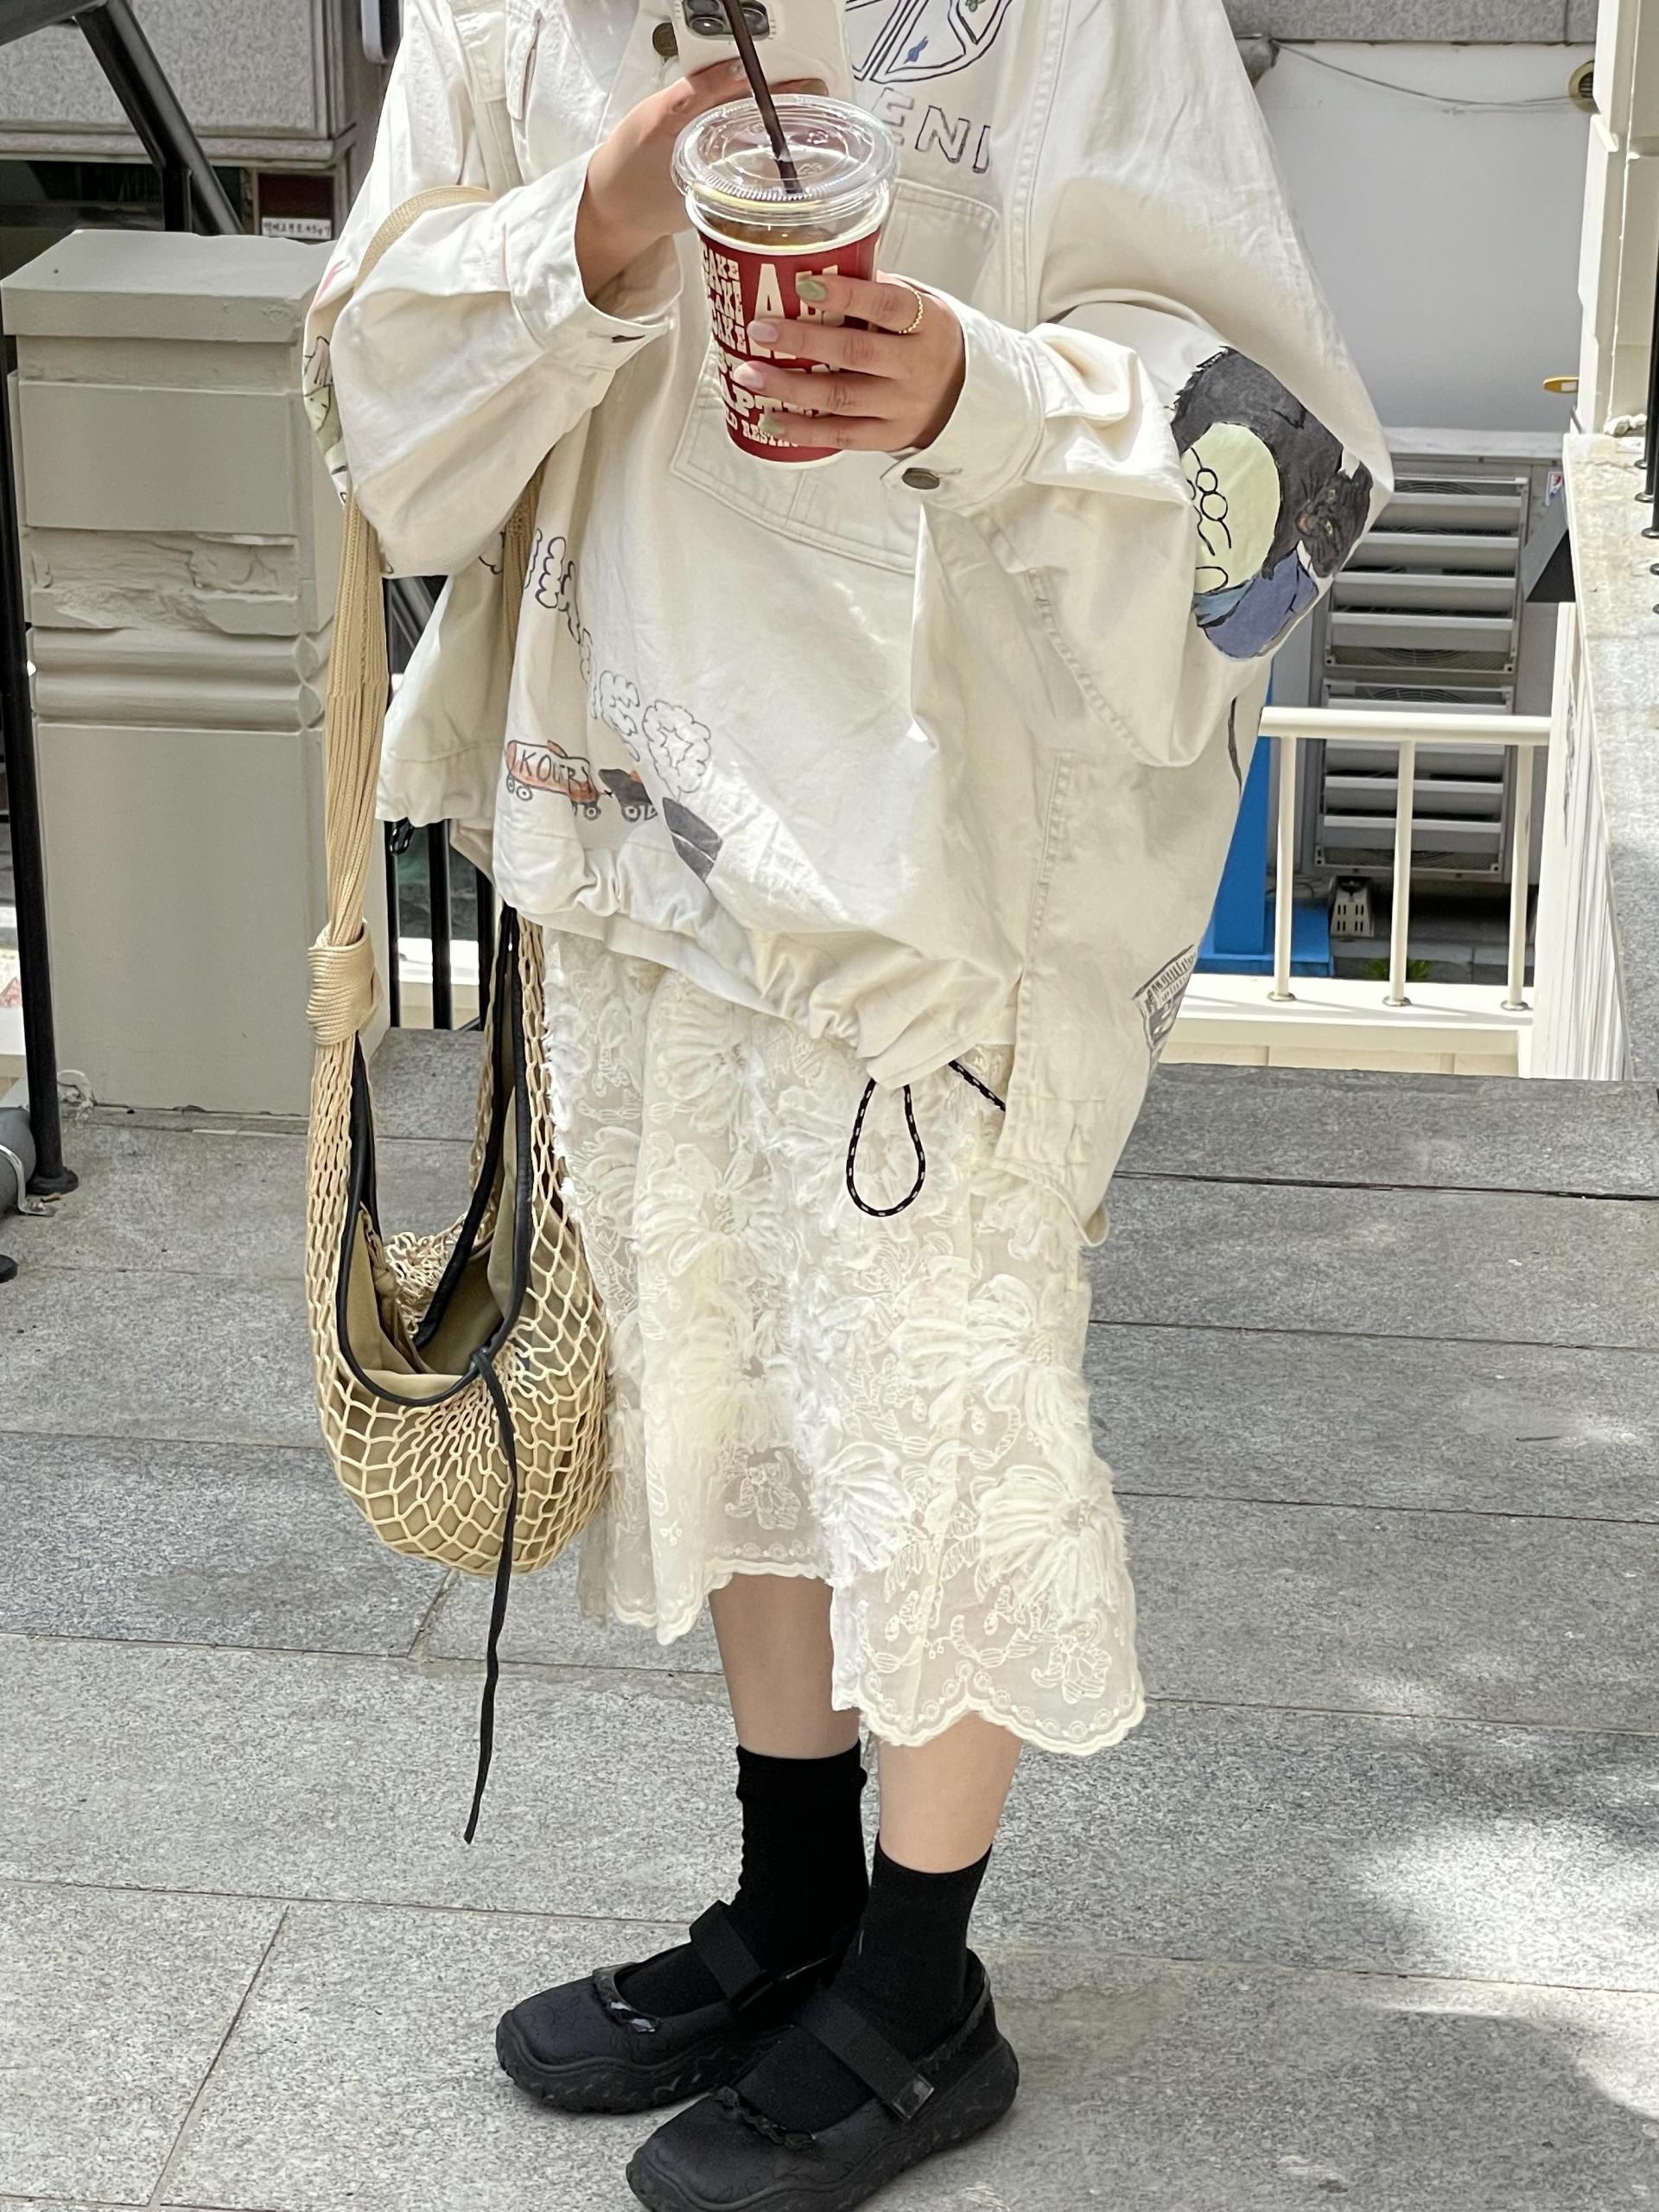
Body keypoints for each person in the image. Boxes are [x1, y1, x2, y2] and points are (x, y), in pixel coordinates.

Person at [305, 2, 1386, 2203]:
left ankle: (920, 1986)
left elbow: (1288, 462)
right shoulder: (514, 15)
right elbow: (371, 399)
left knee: (933, 1405)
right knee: (733, 1375)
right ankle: (794, 1902)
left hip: (941, 873)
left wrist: (980, 391)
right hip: (634, 825)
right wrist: (583, 238)